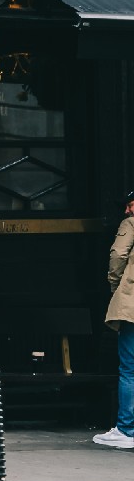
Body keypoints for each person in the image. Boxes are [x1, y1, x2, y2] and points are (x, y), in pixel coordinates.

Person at [97, 192, 134, 450]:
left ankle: (127, 429)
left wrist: (116, 287)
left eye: (130, 205)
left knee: (130, 368)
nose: (126, 211)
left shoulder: (131, 223)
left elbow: (118, 256)